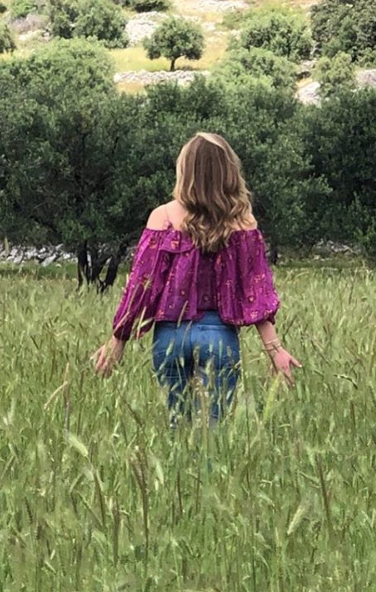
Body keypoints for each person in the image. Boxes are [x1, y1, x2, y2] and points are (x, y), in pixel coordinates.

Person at [93, 132, 300, 422]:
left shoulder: (162, 217)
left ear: (185, 170)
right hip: (220, 337)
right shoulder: (243, 222)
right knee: (216, 434)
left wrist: (118, 340)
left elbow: (142, 289)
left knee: (178, 430)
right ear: (229, 172)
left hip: (169, 337)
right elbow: (255, 291)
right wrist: (275, 349)